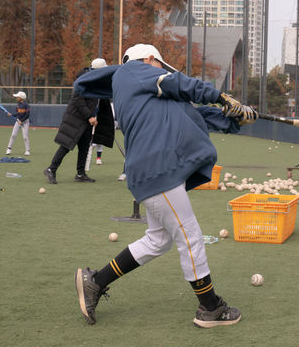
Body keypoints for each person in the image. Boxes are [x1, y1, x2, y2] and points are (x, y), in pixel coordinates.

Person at [72, 43, 257, 328]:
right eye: (160, 65)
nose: (163, 71)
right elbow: (177, 83)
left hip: (154, 173)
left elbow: (199, 115)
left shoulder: (156, 96)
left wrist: (236, 118)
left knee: (158, 241)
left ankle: (96, 281)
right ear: (148, 60)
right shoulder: (130, 72)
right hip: (156, 170)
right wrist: (220, 95)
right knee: (190, 237)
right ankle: (211, 308)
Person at [43, 58, 114, 184]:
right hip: (76, 119)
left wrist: (95, 116)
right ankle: (50, 169)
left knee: (84, 147)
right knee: (66, 145)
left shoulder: (96, 81)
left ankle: (80, 174)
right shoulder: (83, 80)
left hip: (86, 121)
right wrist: (89, 116)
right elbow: (78, 100)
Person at [5, 91, 31, 156]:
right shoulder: (18, 104)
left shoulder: (26, 105)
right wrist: (12, 114)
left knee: (25, 137)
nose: (16, 98)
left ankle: (27, 150)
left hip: (25, 122)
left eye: (17, 97)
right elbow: (18, 114)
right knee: (13, 135)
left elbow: (27, 115)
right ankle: (9, 149)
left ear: (21, 98)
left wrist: (21, 121)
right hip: (18, 121)